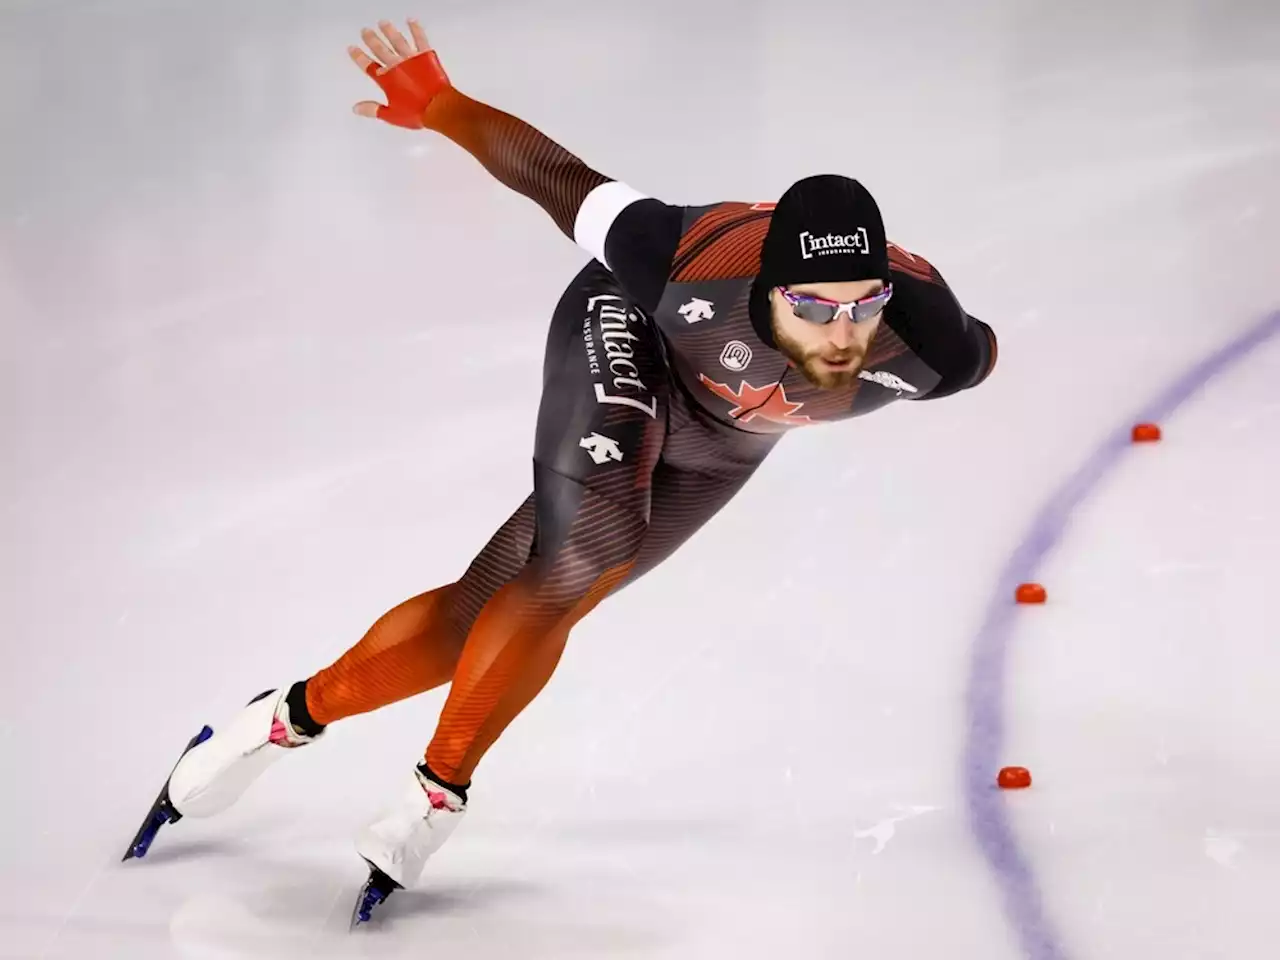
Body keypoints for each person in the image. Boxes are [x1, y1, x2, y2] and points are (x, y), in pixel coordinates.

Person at [125, 17, 998, 923]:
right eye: (815, 306)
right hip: (630, 337)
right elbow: (560, 182)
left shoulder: (937, 349)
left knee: (498, 607)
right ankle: (435, 795)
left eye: (864, 307)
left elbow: (981, 354)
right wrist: (441, 105)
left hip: (724, 441)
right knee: (591, 546)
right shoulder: (682, 259)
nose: (845, 336)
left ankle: (279, 719)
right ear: (767, 287)